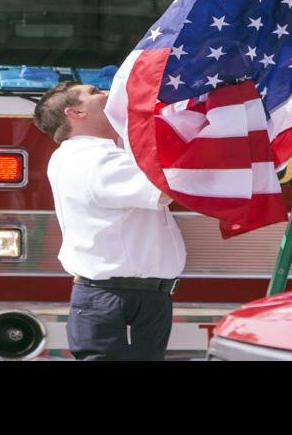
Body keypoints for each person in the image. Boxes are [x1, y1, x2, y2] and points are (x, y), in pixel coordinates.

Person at [33, 80, 186, 360]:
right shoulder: (92, 159)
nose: (107, 94)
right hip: (117, 298)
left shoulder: (98, 155)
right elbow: (164, 188)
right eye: (94, 93)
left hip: (130, 296)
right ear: (75, 113)